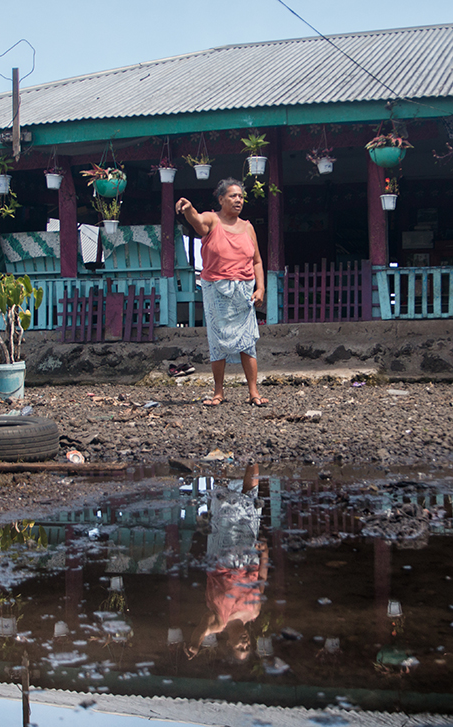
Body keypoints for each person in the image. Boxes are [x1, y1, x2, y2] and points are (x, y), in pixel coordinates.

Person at [176, 180, 268, 407]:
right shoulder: (212, 219)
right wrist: (188, 209)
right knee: (217, 340)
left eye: (241, 197)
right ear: (221, 199)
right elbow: (197, 221)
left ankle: (253, 393)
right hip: (216, 289)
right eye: (234, 196)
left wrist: (261, 288)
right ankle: (218, 392)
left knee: (248, 342)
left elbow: (257, 261)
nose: (239, 200)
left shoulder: (248, 227)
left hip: (244, 290)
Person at [186, 463, 268, 662]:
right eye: (248, 646)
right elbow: (262, 580)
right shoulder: (254, 612)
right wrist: (265, 553)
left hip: (223, 556)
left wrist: (194, 645)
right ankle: (251, 455)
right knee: (250, 501)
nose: (245, 642)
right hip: (249, 554)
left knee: (224, 502)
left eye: (241, 647)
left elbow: (202, 629)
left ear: (229, 644)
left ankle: (221, 458)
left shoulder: (219, 623)